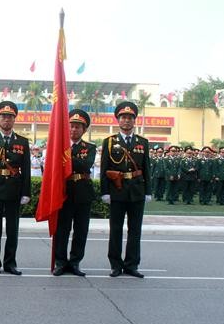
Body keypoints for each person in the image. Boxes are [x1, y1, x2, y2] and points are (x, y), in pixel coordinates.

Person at [100, 101, 152, 278]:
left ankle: (132, 264)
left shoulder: (142, 143)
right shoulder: (109, 142)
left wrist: (148, 191)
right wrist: (105, 192)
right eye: (123, 117)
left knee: (135, 230)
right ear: (118, 120)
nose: (127, 121)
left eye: (130, 118)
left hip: (137, 190)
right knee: (115, 229)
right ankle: (115, 264)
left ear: (134, 121)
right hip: (117, 190)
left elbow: (147, 168)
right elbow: (104, 169)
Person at [0, 101, 31, 276]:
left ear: (14, 119)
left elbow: (26, 170)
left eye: (10, 117)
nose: (6, 120)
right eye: (3, 117)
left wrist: (26, 192)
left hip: (14, 190)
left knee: (12, 229)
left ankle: (10, 263)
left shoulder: (22, 142)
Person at [53, 109, 96, 277]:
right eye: (71, 126)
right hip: (64, 192)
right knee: (62, 230)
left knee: (81, 230)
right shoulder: (58, 147)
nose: (73, 130)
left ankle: (75, 262)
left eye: (78, 127)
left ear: (84, 130)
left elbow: (85, 166)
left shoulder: (90, 148)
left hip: (83, 193)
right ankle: (60, 262)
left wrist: (66, 155)